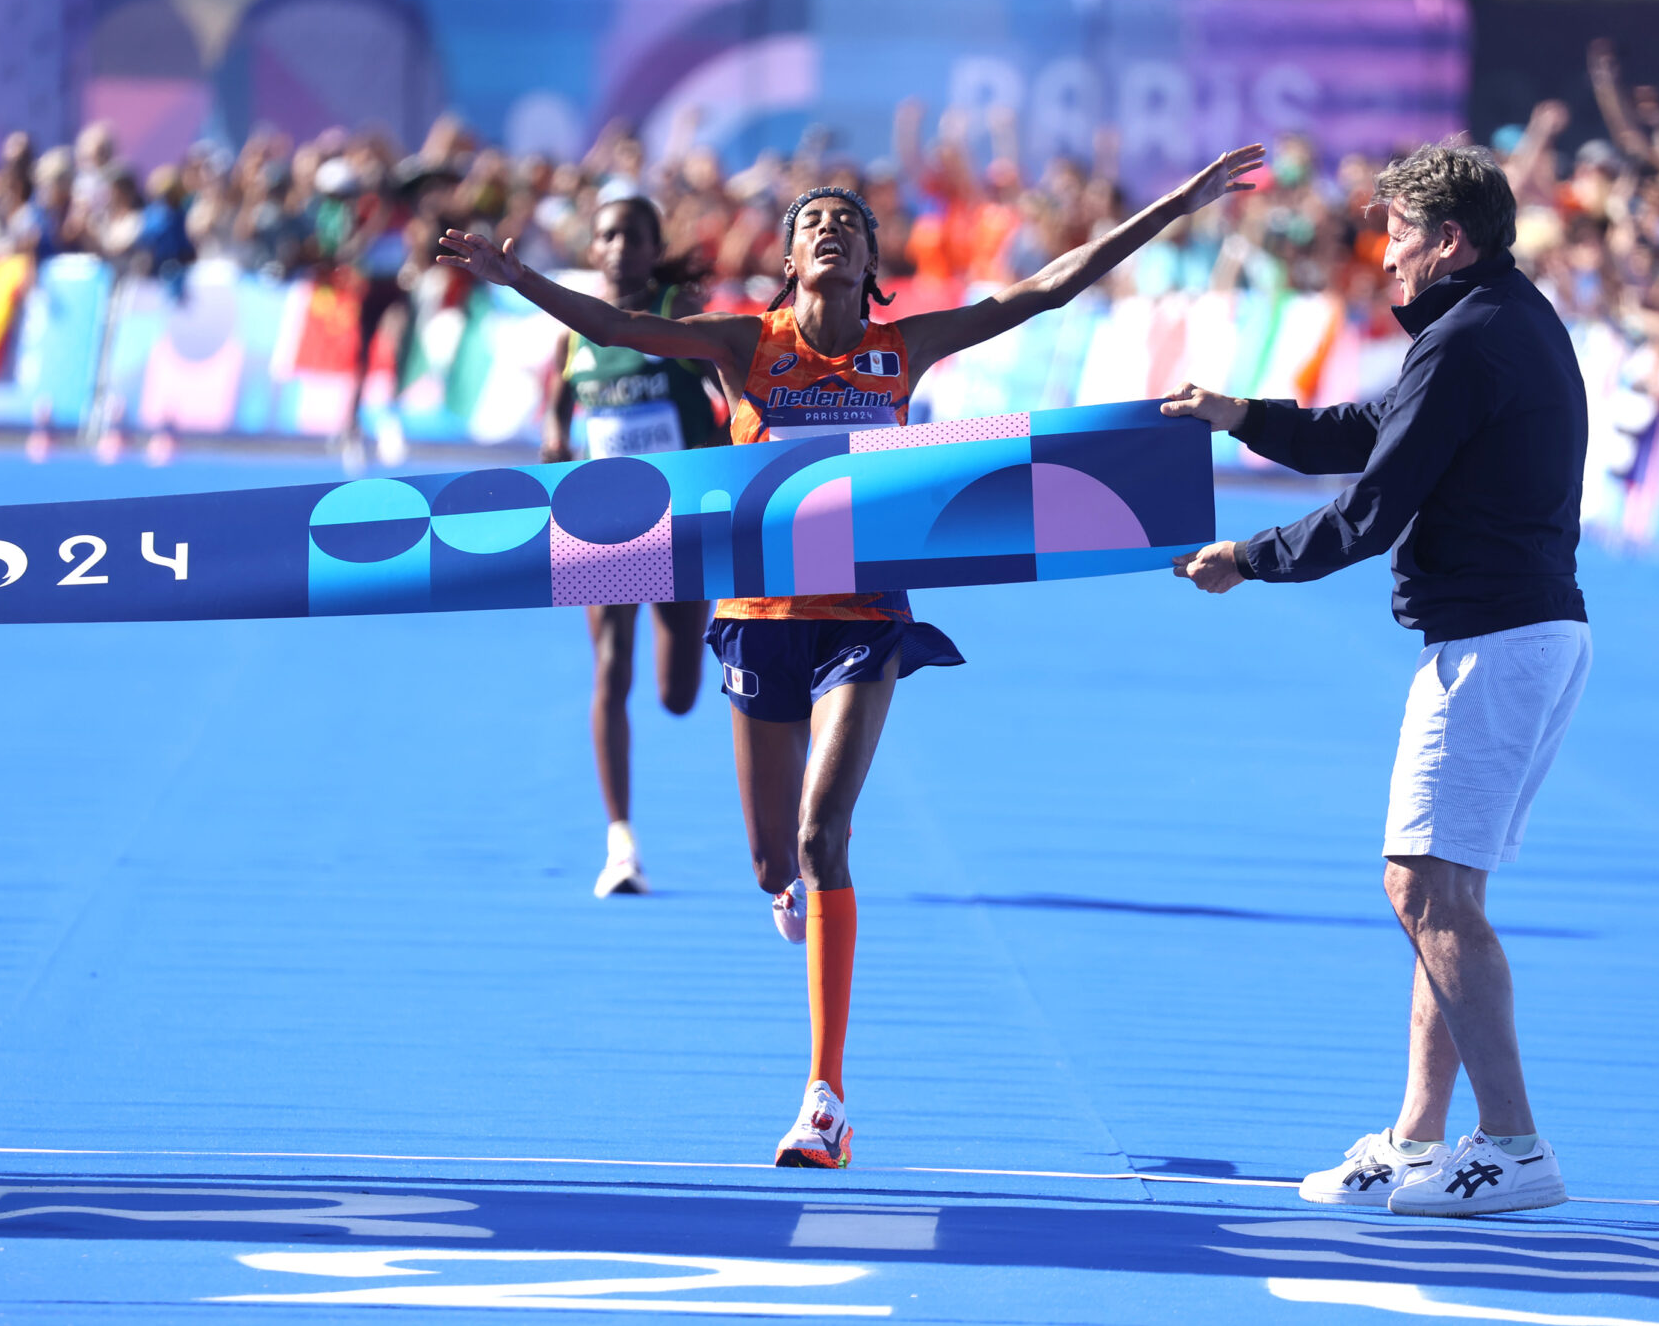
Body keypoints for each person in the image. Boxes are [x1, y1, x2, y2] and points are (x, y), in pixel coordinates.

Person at [440, 141, 1264, 1168]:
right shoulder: (745, 346)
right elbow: (616, 325)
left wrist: (1176, 198)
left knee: (827, 836)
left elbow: (1045, 291)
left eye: (848, 224)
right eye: (811, 225)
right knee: (771, 859)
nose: (829, 230)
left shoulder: (901, 351)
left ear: (871, 260)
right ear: (787, 261)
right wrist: (519, 280)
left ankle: (823, 1098)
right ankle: (784, 892)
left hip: (863, 618)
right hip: (755, 617)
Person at [1165, 143, 1589, 1217]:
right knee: (1434, 891)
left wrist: (1245, 556)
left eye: (1396, 234)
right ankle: (1414, 1141)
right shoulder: (1483, 322)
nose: (1382, 254)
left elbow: (1371, 508)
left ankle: (1512, 1145)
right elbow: (1369, 432)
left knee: (1427, 891)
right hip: (1503, 636)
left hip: (1495, 643)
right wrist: (1239, 415)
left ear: (1449, 240)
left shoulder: (1469, 338)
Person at [538, 195, 724, 898]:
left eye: (632, 236)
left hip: (682, 522)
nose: (618, 247)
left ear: (653, 247)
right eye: (607, 235)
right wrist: (556, 446)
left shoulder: (679, 315)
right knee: (610, 667)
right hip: (606, 523)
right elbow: (560, 412)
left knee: (677, 695)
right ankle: (620, 843)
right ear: (594, 248)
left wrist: (723, 452)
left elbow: (731, 390)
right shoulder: (574, 332)